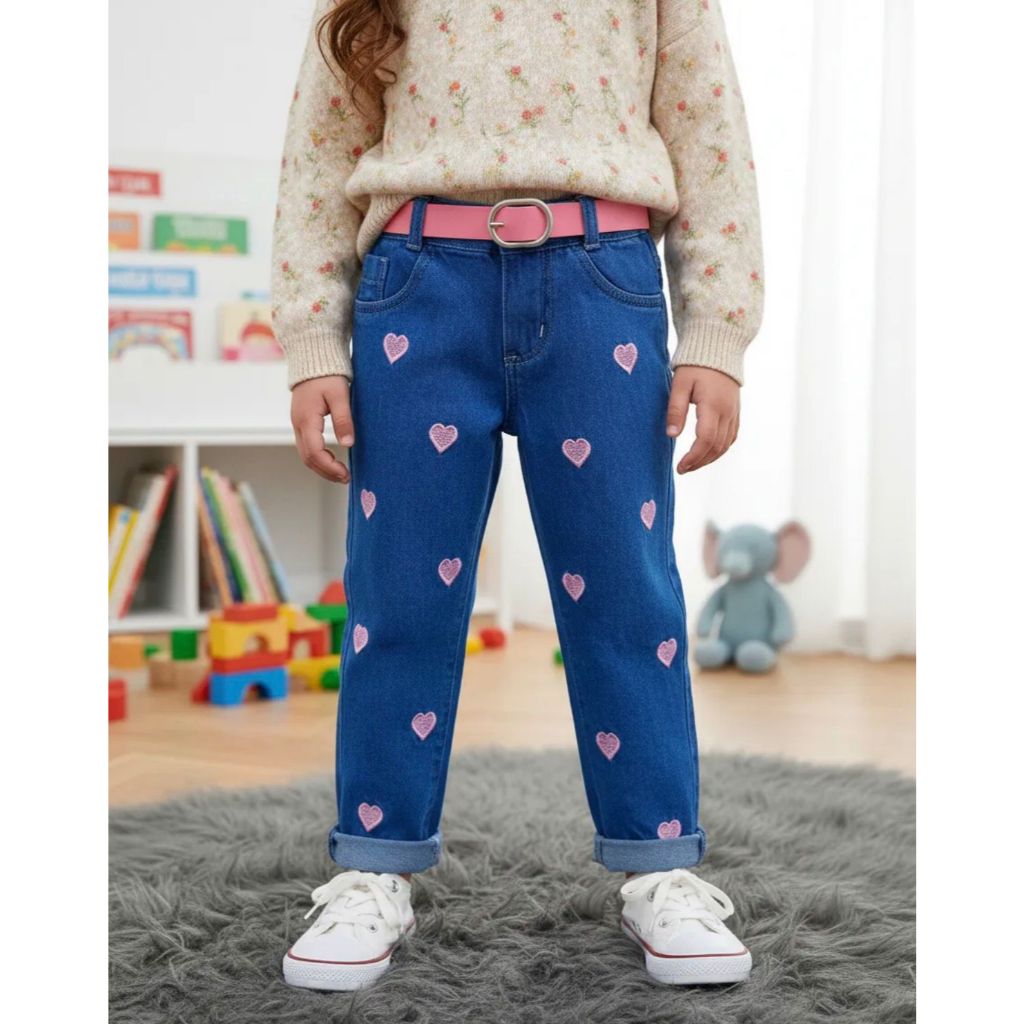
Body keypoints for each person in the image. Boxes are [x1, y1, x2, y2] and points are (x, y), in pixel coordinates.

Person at [273, 0, 763, 991]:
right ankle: (372, 864)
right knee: (398, 595)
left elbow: (708, 130)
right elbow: (318, 153)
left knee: (626, 594)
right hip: (415, 290)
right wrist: (312, 339)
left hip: (604, 285)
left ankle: (659, 861)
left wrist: (718, 331)